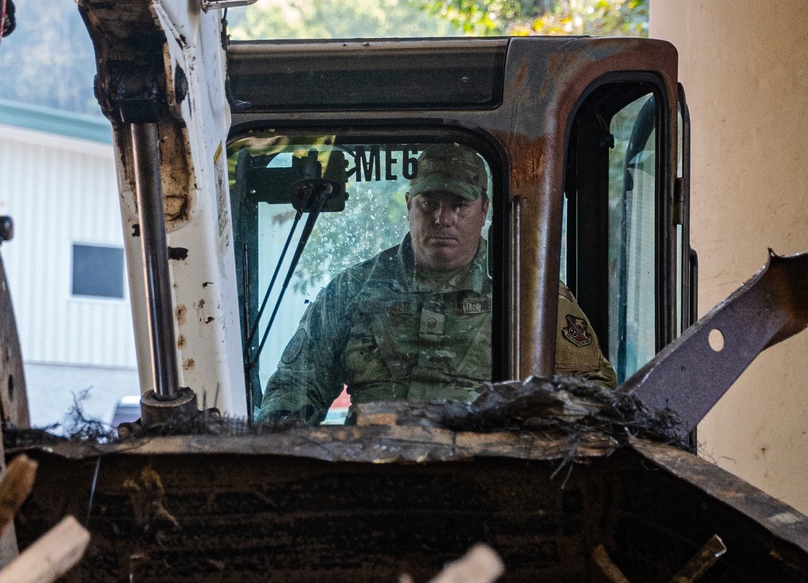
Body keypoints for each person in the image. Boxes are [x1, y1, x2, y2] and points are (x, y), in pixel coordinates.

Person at [258, 141, 614, 424]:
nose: (443, 218)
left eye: (459, 204)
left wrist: (526, 423)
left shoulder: (527, 291)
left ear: (484, 208)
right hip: (372, 473)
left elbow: (595, 394)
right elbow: (292, 391)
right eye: (429, 203)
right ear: (411, 204)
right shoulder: (353, 290)